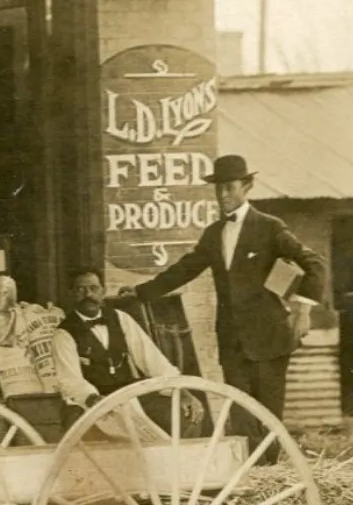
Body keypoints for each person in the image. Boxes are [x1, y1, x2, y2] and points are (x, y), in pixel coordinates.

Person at [120, 154, 324, 446]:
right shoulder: (214, 233)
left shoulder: (269, 227)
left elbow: (315, 264)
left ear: (247, 186)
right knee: (240, 412)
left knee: (268, 414)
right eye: (218, 188)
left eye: (230, 187)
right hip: (232, 340)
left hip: (269, 337)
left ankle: (269, 472)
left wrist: (303, 312)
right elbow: (186, 268)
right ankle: (248, 477)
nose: (223, 195)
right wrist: (142, 291)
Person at [53, 266, 201, 442]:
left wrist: (180, 389)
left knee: (182, 414)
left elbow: (152, 359)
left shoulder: (120, 318)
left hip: (129, 394)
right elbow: (70, 380)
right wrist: (93, 399)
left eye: (94, 288)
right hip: (93, 402)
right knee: (95, 432)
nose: (88, 295)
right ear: (71, 294)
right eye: (80, 289)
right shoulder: (64, 333)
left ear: (103, 292)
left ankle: (174, 465)